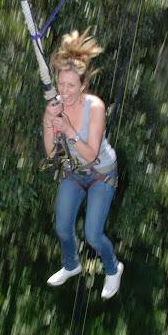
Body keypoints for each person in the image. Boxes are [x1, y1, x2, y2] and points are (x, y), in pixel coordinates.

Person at [42, 28, 124, 299]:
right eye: (60, 84)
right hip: (74, 172)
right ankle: (71, 265)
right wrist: (48, 120)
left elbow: (90, 154)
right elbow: (51, 154)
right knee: (62, 226)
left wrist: (67, 128)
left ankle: (113, 269)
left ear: (83, 85)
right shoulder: (56, 107)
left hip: (101, 173)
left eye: (71, 86)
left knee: (92, 235)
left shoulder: (96, 106)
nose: (64, 91)